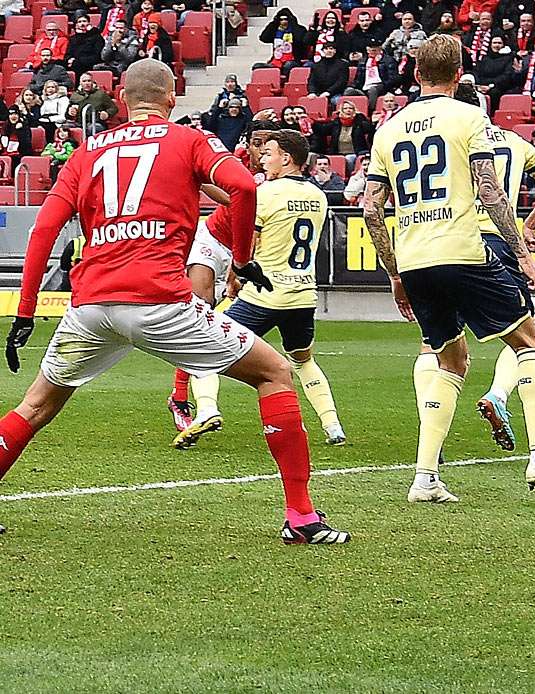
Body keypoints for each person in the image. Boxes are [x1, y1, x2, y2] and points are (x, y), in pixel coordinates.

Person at [2, 59, 349, 545]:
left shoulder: (86, 153)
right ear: (172, 97)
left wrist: (25, 313)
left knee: (36, 405)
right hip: (160, 301)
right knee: (275, 372)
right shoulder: (188, 140)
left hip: (91, 306)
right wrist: (243, 259)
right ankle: (301, 515)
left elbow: (44, 229)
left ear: (122, 99)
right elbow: (244, 186)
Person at [362, 34, 535, 505]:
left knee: (451, 359)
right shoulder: (470, 117)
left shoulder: (388, 130)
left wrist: (395, 275)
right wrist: (522, 251)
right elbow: (489, 190)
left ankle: (425, 478)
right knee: (530, 342)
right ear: (460, 72)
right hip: (464, 250)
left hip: (415, 260)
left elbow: (370, 210)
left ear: (416, 73)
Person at [183, 129, 349, 449]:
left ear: (287, 159)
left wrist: (233, 278)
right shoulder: (318, 195)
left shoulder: (266, 194)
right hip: (302, 295)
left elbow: (247, 245)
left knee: (201, 346)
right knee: (303, 360)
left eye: (269, 153)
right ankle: (332, 426)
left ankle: (205, 410)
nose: (263, 158)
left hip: (265, 293)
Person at [448, 81, 535, 454]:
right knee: (525, 338)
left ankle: (430, 451)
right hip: (499, 244)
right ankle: (501, 398)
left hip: (446, 245)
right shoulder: (513, 142)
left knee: (439, 347)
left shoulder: (444, 139)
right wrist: (528, 226)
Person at [167, 119, 283, 436]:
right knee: (196, 308)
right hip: (212, 239)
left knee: (204, 319)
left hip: (240, 251)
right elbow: (220, 189)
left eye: (268, 142)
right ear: (247, 143)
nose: (262, 148)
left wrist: (239, 265)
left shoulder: (279, 177)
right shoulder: (231, 163)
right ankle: (179, 397)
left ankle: (189, 394)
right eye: (257, 141)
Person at [313, 99, 374, 169]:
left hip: (355, 153)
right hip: (337, 153)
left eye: (350, 108)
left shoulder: (360, 121)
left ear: (354, 110)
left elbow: (370, 129)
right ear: (341, 110)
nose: (348, 110)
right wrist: (313, 123)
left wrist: (369, 121)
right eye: (345, 108)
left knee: (349, 158)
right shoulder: (336, 122)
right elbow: (322, 130)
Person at [345, 41, 398, 110]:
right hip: (364, 87)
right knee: (349, 91)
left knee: (373, 90)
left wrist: (385, 85)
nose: (373, 51)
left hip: (381, 86)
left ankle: (370, 111)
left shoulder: (388, 60)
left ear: (380, 49)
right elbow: (358, 78)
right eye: (371, 49)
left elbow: (393, 77)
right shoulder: (363, 61)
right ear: (367, 50)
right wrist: (352, 86)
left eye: (375, 49)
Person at [256, 8, 307, 77]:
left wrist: (292, 26)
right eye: (281, 20)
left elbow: (300, 40)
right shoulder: (275, 31)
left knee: (287, 66)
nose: (283, 21)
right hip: (276, 61)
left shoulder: (299, 29)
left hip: (293, 60)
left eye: (286, 19)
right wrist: (274, 23)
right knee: (257, 66)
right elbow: (264, 38)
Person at [66, 14, 104, 79]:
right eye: (79, 22)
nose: (82, 24)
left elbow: (97, 55)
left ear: (89, 23)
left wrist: (78, 60)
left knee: (76, 64)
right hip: (75, 62)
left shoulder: (97, 37)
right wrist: (69, 59)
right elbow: (68, 53)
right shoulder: (73, 38)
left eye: (84, 21)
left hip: (89, 62)